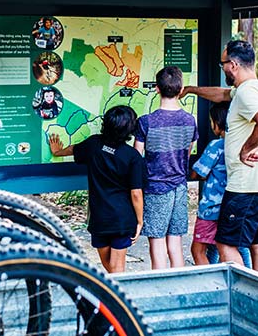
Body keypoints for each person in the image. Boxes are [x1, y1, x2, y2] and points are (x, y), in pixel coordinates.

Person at [181, 40, 258, 276]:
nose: (222, 68)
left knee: (226, 243)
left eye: (223, 64)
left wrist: (245, 149)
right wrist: (192, 89)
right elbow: (223, 94)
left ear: (233, 65)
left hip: (246, 184)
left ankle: (242, 295)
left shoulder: (246, 92)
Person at [48, 105, 144, 273]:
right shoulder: (132, 156)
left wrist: (57, 151)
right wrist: (140, 221)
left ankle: (112, 297)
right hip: (121, 219)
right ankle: (117, 297)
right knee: (115, 270)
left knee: (111, 267)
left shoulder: (93, 144)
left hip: (99, 218)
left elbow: (74, 149)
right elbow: (136, 193)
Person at [134, 66, 198, 270]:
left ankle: (160, 288)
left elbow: (137, 156)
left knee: (157, 242)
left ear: (156, 89)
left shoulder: (146, 122)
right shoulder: (190, 120)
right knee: (175, 243)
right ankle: (179, 287)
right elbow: (187, 153)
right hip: (179, 186)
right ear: (180, 90)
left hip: (154, 188)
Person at [189, 102, 252, 268]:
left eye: (211, 121)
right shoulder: (243, 144)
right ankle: (249, 278)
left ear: (217, 123)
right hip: (235, 205)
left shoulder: (216, 146)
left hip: (211, 208)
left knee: (198, 250)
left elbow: (199, 173)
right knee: (236, 246)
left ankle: (208, 284)